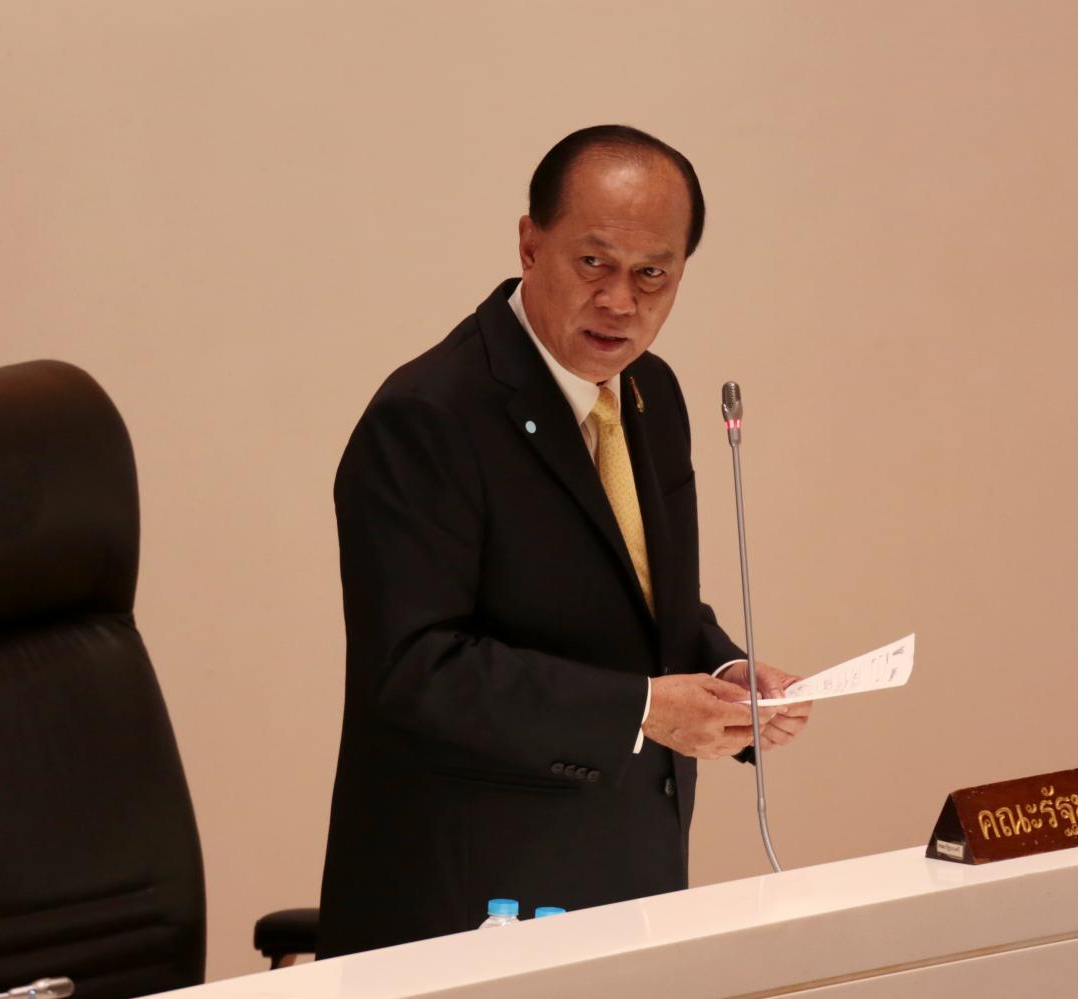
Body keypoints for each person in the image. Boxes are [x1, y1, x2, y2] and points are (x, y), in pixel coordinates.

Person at [317, 125, 812, 957]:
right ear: (529, 243)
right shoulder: (432, 416)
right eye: (595, 263)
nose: (622, 300)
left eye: (653, 273)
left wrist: (726, 672)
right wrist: (647, 708)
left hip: (625, 879)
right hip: (469, 910)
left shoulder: (653, 394)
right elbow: (415, 670)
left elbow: (646, 601)